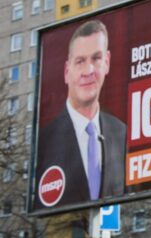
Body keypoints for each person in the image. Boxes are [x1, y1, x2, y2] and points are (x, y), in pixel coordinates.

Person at [35, 20, 126, 209]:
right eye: (80, 61)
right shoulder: (43, 142)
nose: (88, 71)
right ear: (67, 72)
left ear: (107, 62)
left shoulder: (121, 133)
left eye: (96, 58)